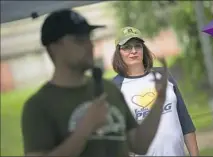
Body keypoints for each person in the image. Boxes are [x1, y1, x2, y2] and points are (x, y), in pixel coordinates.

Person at [21, 9, 168, 157]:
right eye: (79, 40)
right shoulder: (38, 106)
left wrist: (160, 100)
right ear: (55, 47)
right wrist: (85, 128)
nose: (90, 45)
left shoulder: (108, 89)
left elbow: (139, 145)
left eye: (89, 38)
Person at [112, 27, 199, 156]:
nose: (134, 51)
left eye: (138, 46)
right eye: (126, 47)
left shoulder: (164, 75)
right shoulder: (115, 87)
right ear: (119, 52)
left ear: (143, 49)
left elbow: (185, 121)